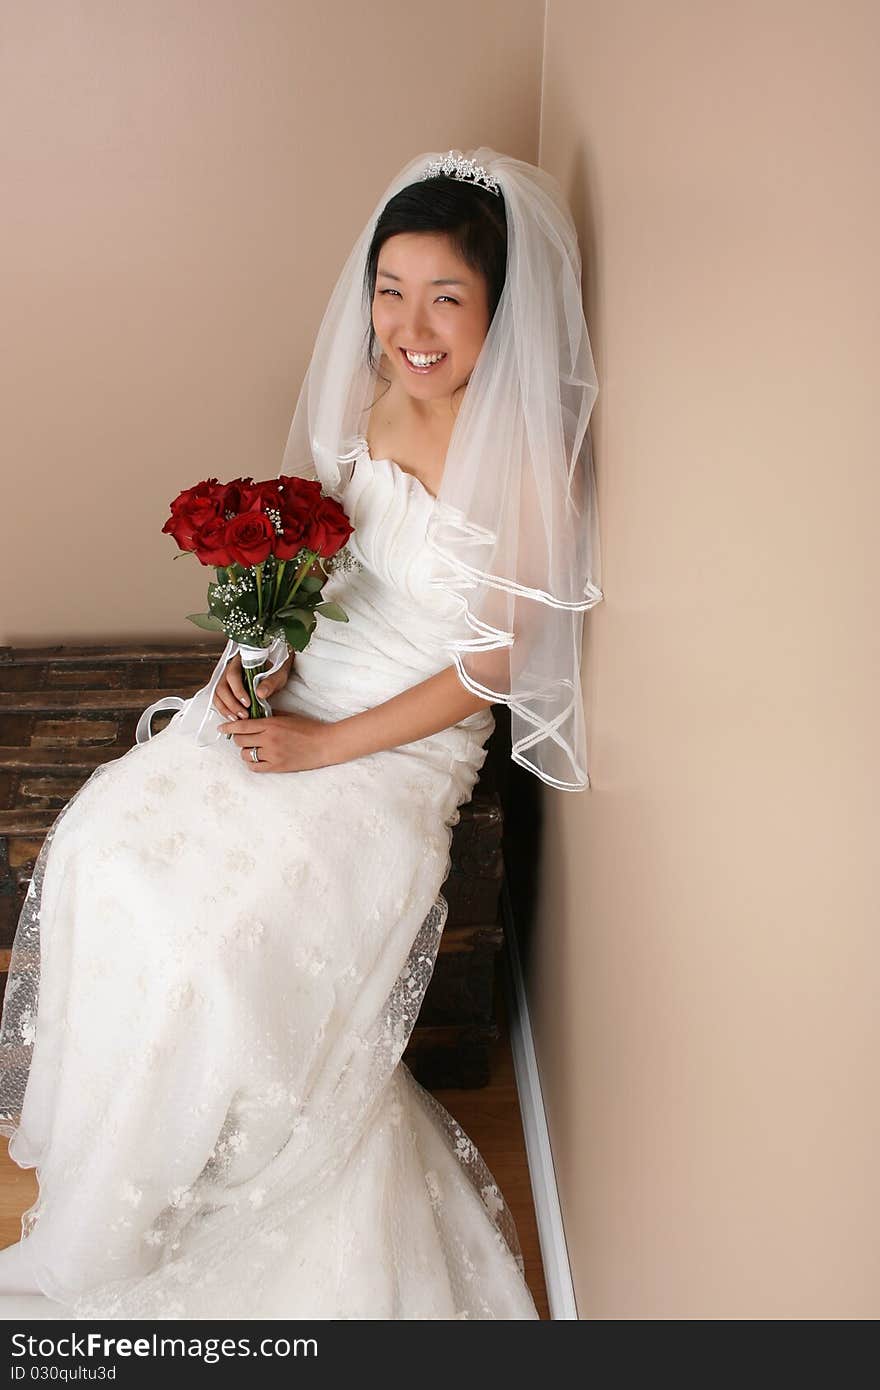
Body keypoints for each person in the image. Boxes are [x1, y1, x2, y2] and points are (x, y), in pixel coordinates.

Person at [0, 148, 601, 1319]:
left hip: (398, 744)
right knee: (104, 844)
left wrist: (328, 749)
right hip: (303, 688)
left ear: (497, 310)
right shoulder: (373, 394)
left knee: (206, 948)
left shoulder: (518, 458)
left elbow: (486, 671)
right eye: (391, 290)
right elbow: (317, 562)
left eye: (446, 299)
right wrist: (256, 660)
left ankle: (193, 1176)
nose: (409, 327)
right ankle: (108, 1153)